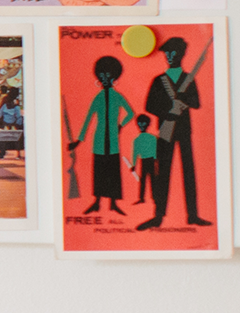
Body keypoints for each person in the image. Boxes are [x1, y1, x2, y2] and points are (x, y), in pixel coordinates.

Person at [136, 34, 210, 230]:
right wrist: (170, 108)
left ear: (182, 54)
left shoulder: (188, 79)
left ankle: (192, 215)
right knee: (162, 173)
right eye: (167, 52)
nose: (170, 56)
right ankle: (158, 216)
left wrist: (183, 102)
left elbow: (196, 103)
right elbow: (149, 105)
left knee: (189, 172)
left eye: (174, 52)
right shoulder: (159, 80)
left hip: (184, 129)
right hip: (166, 129)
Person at [72, 55, 134, 216]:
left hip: (113, 140)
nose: (105, 78)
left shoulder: (117, 96)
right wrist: (78, 141)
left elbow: (130, 113)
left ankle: (113, 203)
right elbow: (88, 119)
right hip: (99, 139)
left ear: (114, 77)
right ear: (98, 76)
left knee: (113, 171)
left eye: (108, 75)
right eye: (102, 75)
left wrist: (120, 125)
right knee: (99, 171)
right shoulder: (98, 97)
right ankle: (97, 202)